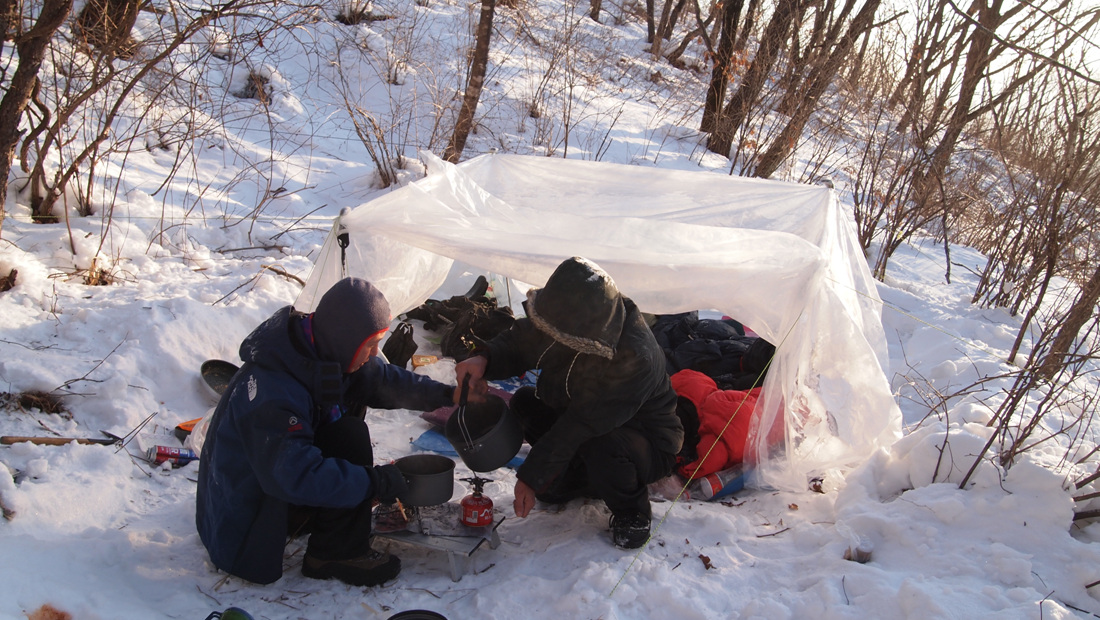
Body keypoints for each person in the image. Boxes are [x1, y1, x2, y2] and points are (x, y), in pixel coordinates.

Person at [196, 277, 459, 587]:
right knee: (350, 437)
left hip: (274, 484)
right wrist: (374, 483)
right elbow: (296, 475)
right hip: (243, 519)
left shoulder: (317, 349)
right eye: (370, 344)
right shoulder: (273, 391)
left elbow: (381, 379)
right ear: (344, 338)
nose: (375, 353)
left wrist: (449, 396)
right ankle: (335, 554)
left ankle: (326, 524)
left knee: (347, 428)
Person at [454, 257, 684, 549]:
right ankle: (580, 478)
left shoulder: (636, 356)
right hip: (581, 418)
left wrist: (532, 476)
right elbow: (521, 340)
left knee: (601, 442)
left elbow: (582, 424)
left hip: (644, 441)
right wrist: (484, 358)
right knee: (525, 402)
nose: (550, 335)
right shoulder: (572, 314)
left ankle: (632, 512)